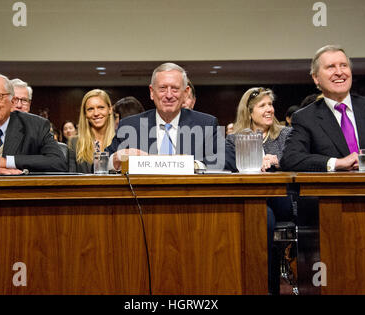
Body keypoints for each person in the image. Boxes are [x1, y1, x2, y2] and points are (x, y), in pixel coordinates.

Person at [281, 45, 365, 172]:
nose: (339, 72)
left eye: (343, 65)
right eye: (331, 67)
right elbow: (291, 159)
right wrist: (337, 163)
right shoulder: (305, 118)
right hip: (333, 190)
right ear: (316, 78)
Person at [106, 62, 235, 172]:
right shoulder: (131, 125)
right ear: (152, 92)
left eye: (174, 89)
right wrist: (115, 158)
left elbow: (228, 159)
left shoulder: (205, 123)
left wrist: (192, 166)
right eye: (162, 88)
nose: (168, 95)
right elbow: (100, 163)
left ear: (186, 93)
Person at [229, 87, 293, 295]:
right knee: (262, 215)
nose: (269, 110)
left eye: (271, 105)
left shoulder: (286, 135)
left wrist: (277, 160)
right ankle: (263, 287)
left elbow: (298, 159)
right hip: (253, 202)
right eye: (262, 105)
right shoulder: (234, 139)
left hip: (283, 198)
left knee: (262, 211)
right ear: (249, 112)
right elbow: (228, 166)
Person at [68, 89, 115, 173]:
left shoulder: (120, 141)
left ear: (110, 109)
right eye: (90, 109)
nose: (96, 113)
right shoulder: (74, 143)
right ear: (85, 114)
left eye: (101, 107)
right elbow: (71, 178)